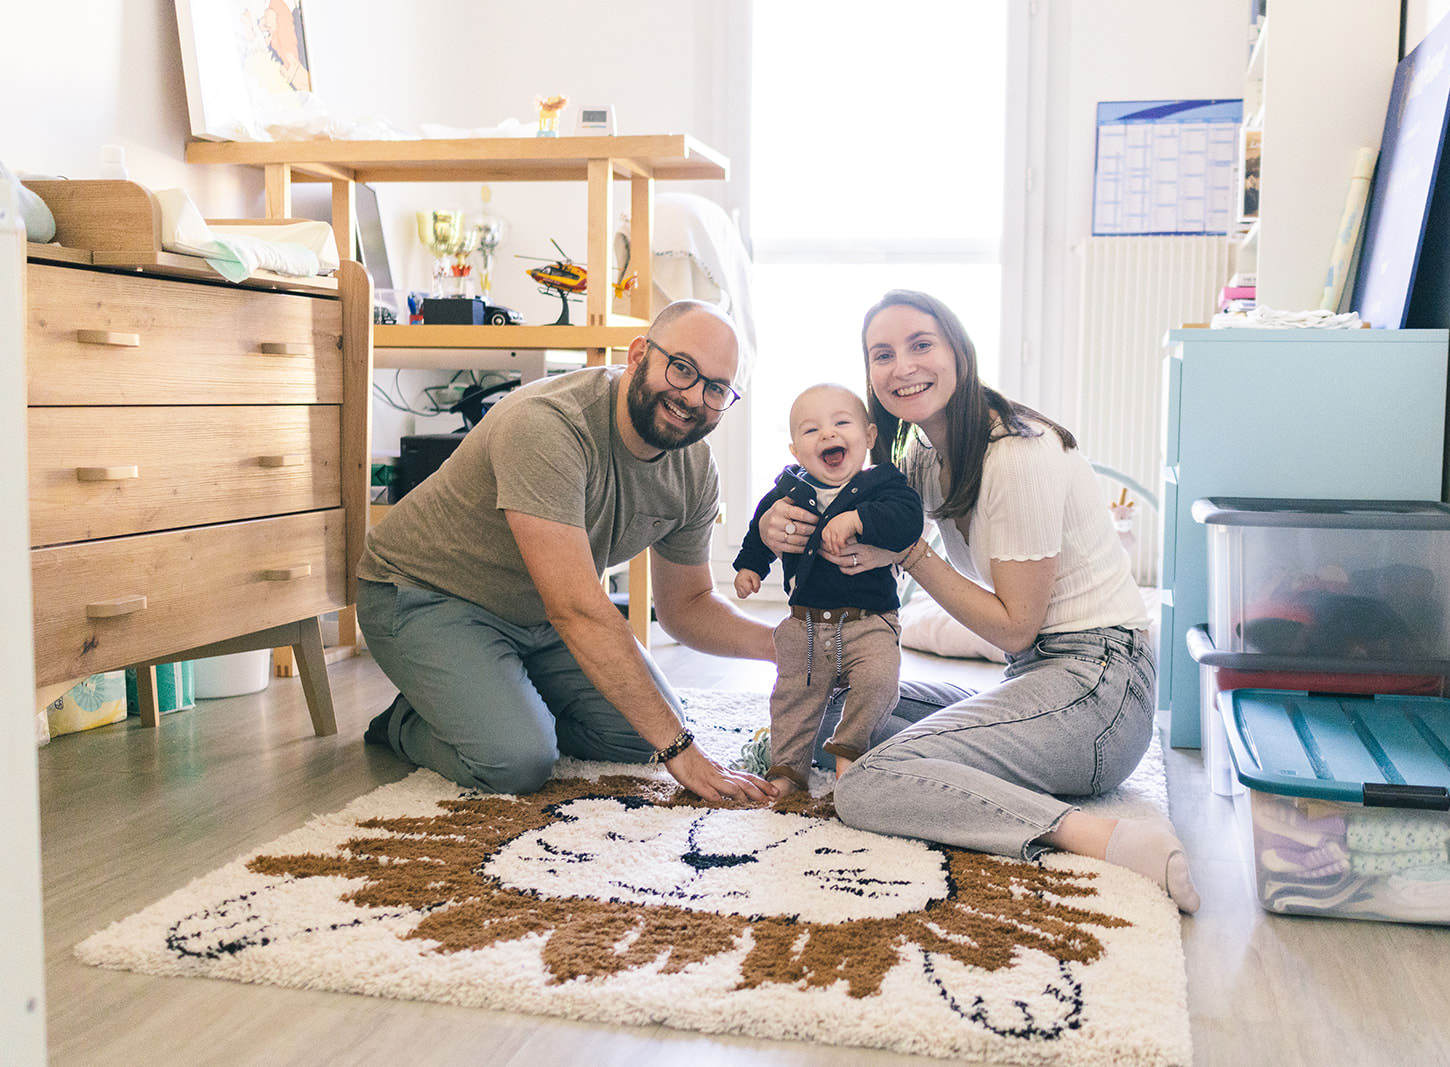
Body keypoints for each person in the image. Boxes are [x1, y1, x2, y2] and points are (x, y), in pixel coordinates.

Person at [757, 290, 1199, 913]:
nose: (902, 366)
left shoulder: (1017, 453)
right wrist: (781, 525)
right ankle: (952, 764)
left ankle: (1106, 837)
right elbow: (851, 522)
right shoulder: (922, 455)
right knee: (834, 712)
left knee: (866, 784)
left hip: (1100, 691)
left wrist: (908, 553)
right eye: (882, 354)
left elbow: (1015, 629)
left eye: (921, 345)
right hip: (1037, 680)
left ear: (958, 351)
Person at [358, 300, 778, 805]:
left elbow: (686, 606)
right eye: (682, 368)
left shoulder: (694, 468)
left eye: (716, 388)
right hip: (424, 595)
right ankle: (408, 720)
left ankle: (493, 696)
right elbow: (577, 608)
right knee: (517, 761)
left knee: (634, 736)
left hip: (539, 613)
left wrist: (787, 646)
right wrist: (682, 752)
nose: (693, 397)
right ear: (639, 353)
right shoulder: (548, 425)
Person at [732, 384, 923, 796]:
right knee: (793, 698)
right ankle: (787, 770)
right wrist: (750, 565)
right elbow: (760, 527)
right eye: (811, 429)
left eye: (841, 423)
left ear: (869, 437)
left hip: (869, 622)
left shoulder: (883, 486)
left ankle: (849, 751)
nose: (827, 434)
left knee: (878, 681)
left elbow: (907, 521)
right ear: (796, 451)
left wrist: (857, 519)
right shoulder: (789, 491)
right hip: (806, 624)